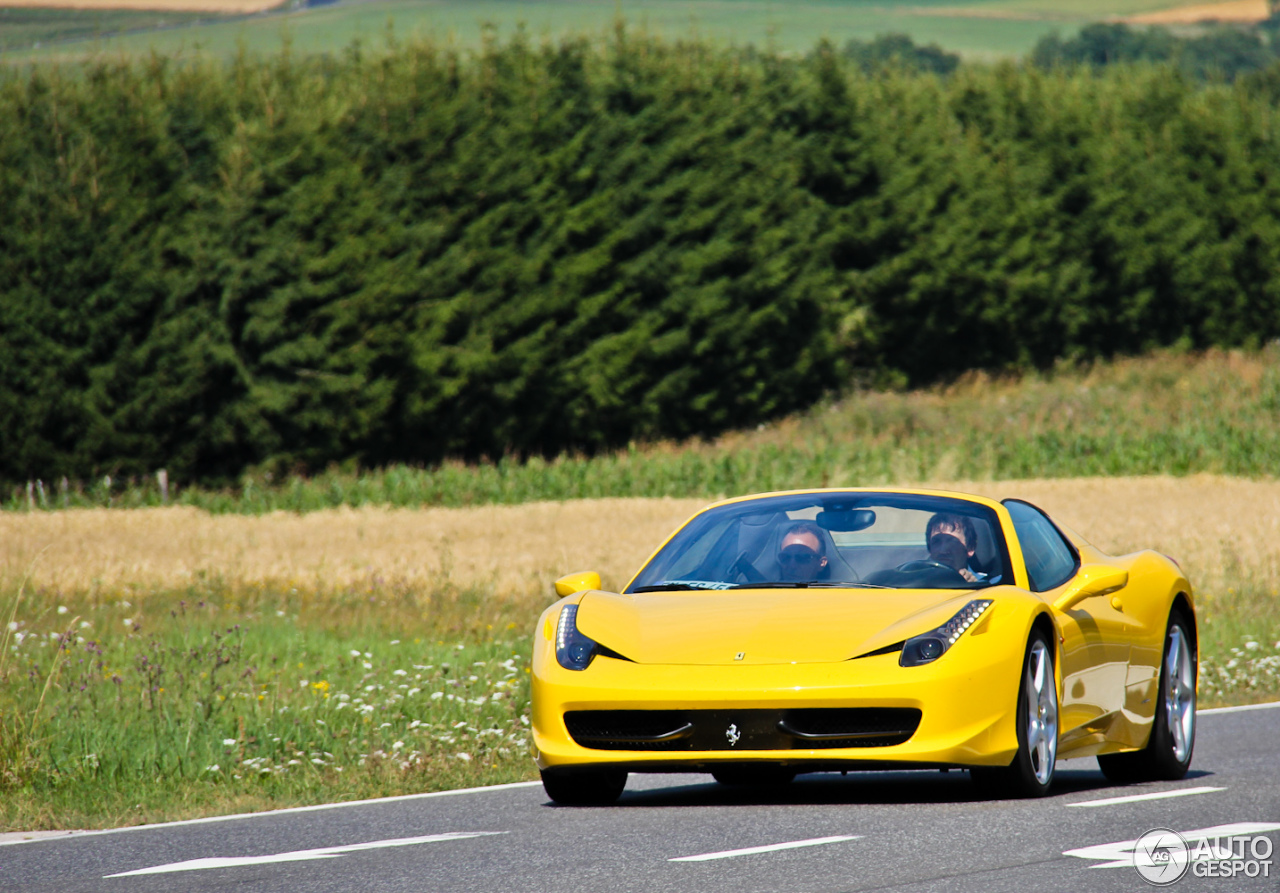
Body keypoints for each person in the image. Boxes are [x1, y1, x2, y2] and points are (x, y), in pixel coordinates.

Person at [924, 512, 987, 583]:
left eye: (952, 542)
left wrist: (974, 586)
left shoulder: (991, 586)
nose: (943, 550)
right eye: (936, 542)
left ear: (970, 548)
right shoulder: (917, 582)